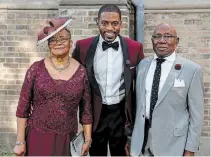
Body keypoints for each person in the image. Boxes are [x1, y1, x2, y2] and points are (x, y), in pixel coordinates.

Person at [13, 17, 93, 156]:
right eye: (53, 40)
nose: (58, 43)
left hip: (67, 138)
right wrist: (20, 142)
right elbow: (22, 108)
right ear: (48, 44)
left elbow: (86, 111)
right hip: (37, 137)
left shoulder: (81, 72)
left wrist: (87, 139)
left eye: (63, 38)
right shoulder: (36, 69)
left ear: (71, 42)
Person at [72, 4, 144, 156]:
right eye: (104, 23)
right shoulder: (82, 46)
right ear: (97, 21)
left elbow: (141, 84)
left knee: (122, 153)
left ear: (121, 24)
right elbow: (73, 82)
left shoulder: (135, 47)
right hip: (95, 113)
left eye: (114, 23)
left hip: (121, 113)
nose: (109, 28)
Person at [130, 23, 204, 156]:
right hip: (142, 140)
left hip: (173, 144)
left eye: (168, 36)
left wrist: (190, 150)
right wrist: (132, 139)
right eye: (157, 36)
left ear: (177, 41)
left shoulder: (192, 70)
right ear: (152, 40)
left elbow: (196, 115)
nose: (162, 40)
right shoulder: (142, 65)